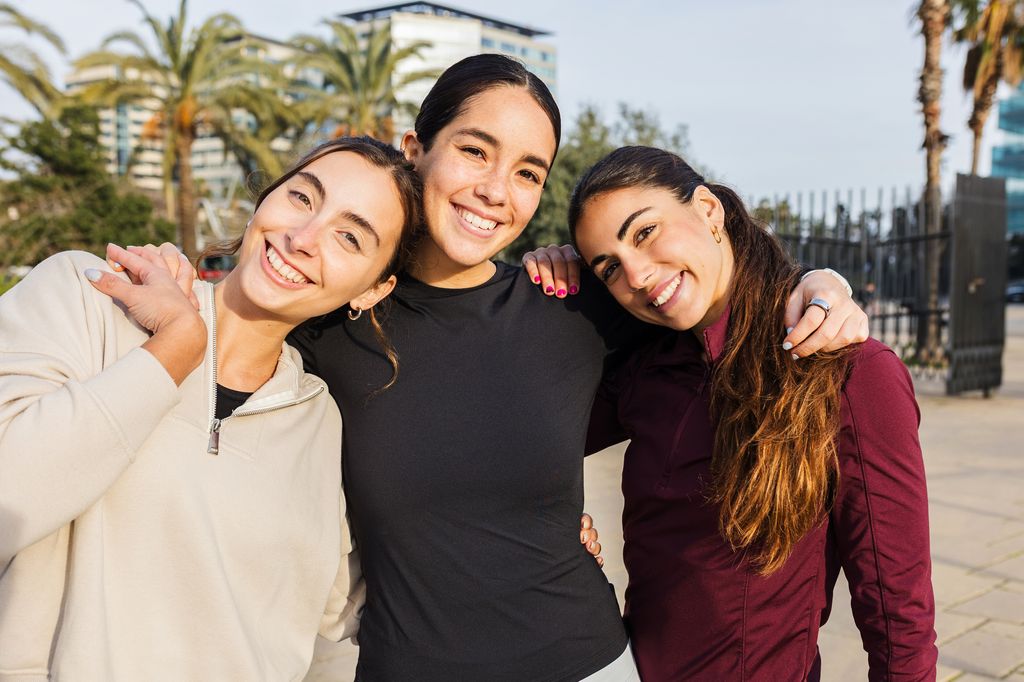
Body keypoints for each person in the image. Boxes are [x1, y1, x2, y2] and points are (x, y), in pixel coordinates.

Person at [283, 55, 871, 681]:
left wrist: (817, 284)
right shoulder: (328, 326)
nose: (496, 190)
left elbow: (711, 309)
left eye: (528, 172)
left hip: (587, 663)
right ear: (414, 149)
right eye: (476, 151)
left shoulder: (571, 306)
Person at [0, 137, 422, 680]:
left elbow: (330, 635)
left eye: (348, 237)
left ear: (370, 290)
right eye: (301, 198)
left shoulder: (322, 424)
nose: (303, 238)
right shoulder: (90, 295)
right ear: (264, 200)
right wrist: (173, 350)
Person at [540, 145, 937, 680]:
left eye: (645, 232)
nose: (634, 275)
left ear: (707, 209)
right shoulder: (647, 368)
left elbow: (897, 610)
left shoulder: (849, 372)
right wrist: (543, 296)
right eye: (609, 267)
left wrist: (829, 282)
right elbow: (524, 440)